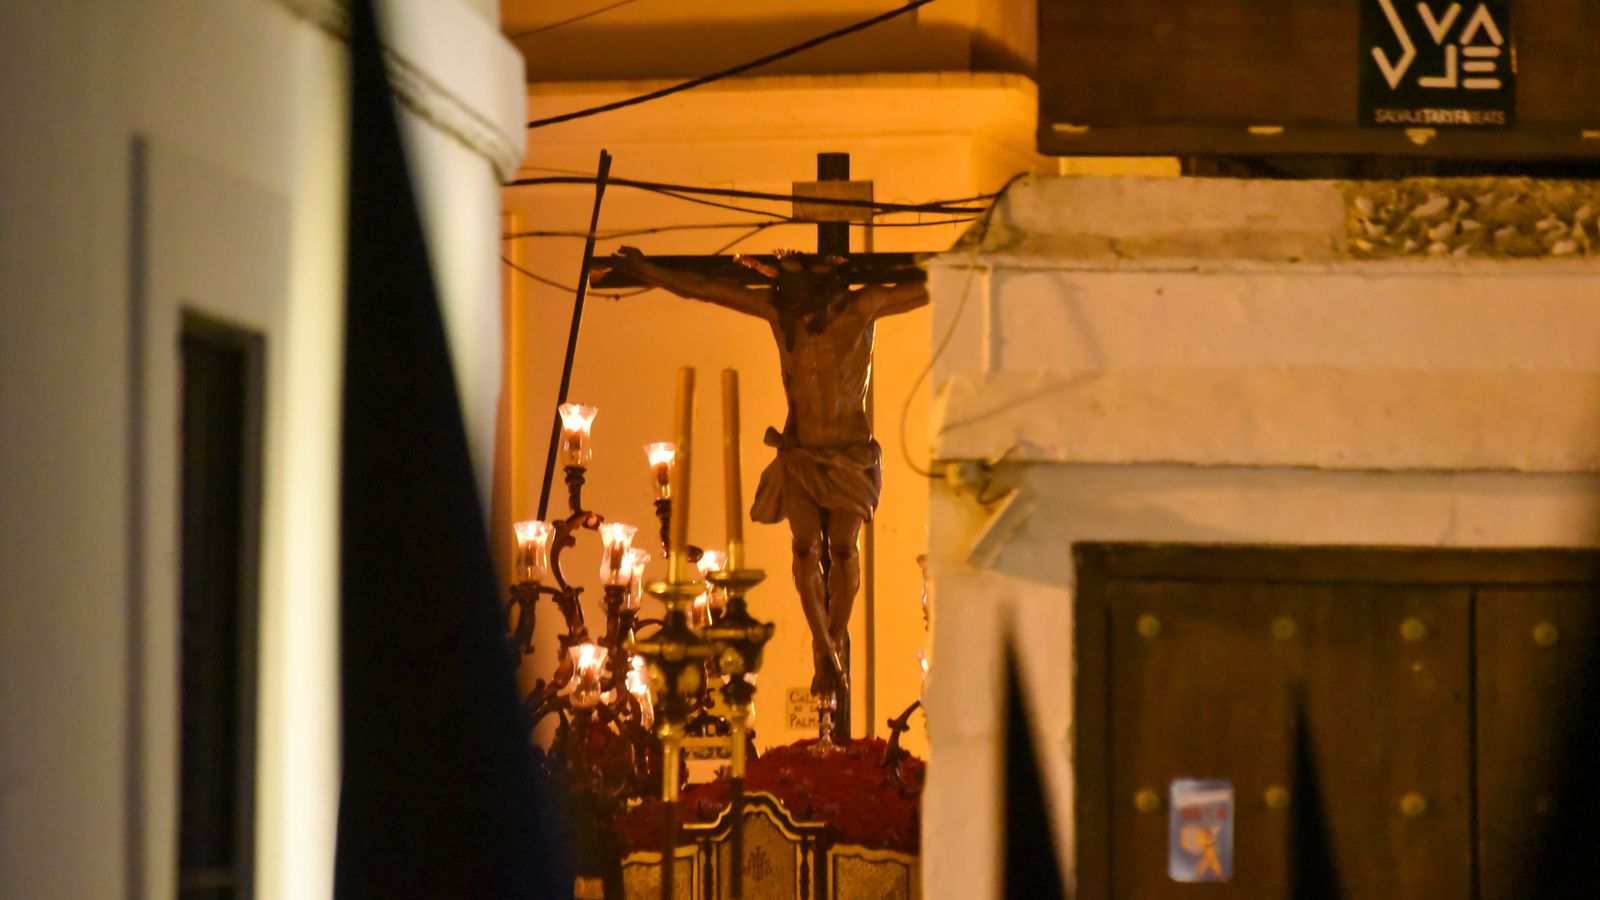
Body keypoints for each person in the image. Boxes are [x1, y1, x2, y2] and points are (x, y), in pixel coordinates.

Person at [602, 246, 928, 700]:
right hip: (799, 455)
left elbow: (933, 287)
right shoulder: (782, 316)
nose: (790, 303)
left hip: (850, 455)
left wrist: (989, 257)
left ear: (822, 288)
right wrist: (649, 269)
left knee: (842, 549)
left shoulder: (863, 307)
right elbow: (708, 290)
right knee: (804, 548)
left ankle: (831, 644)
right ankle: (827, 651)